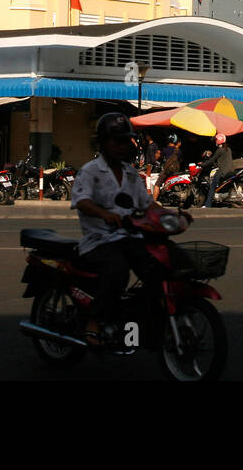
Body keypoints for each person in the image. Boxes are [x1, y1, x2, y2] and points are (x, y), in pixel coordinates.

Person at [71, 112, 159, 345]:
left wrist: (171, 216)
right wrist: (105, 214)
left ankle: (141, 318)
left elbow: (147, 203)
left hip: (130, 237)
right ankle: (94, 322)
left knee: (156, 266)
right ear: (102, 142)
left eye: (125, 140)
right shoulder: (90, 171)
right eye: (116, 140)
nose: (122, 146)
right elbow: (82, 201)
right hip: (99, 240)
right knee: (118, 270)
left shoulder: (131, 174)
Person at [199, 133, 234, 208]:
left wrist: (202, 164)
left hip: (222, 171)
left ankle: (207, 204)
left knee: (212, 187)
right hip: (230, 170)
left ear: (218, 141)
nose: (215, 142)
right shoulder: (228, 149)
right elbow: (222, 160)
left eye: (216, 140)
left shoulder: (220, 150)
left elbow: (211, 161)